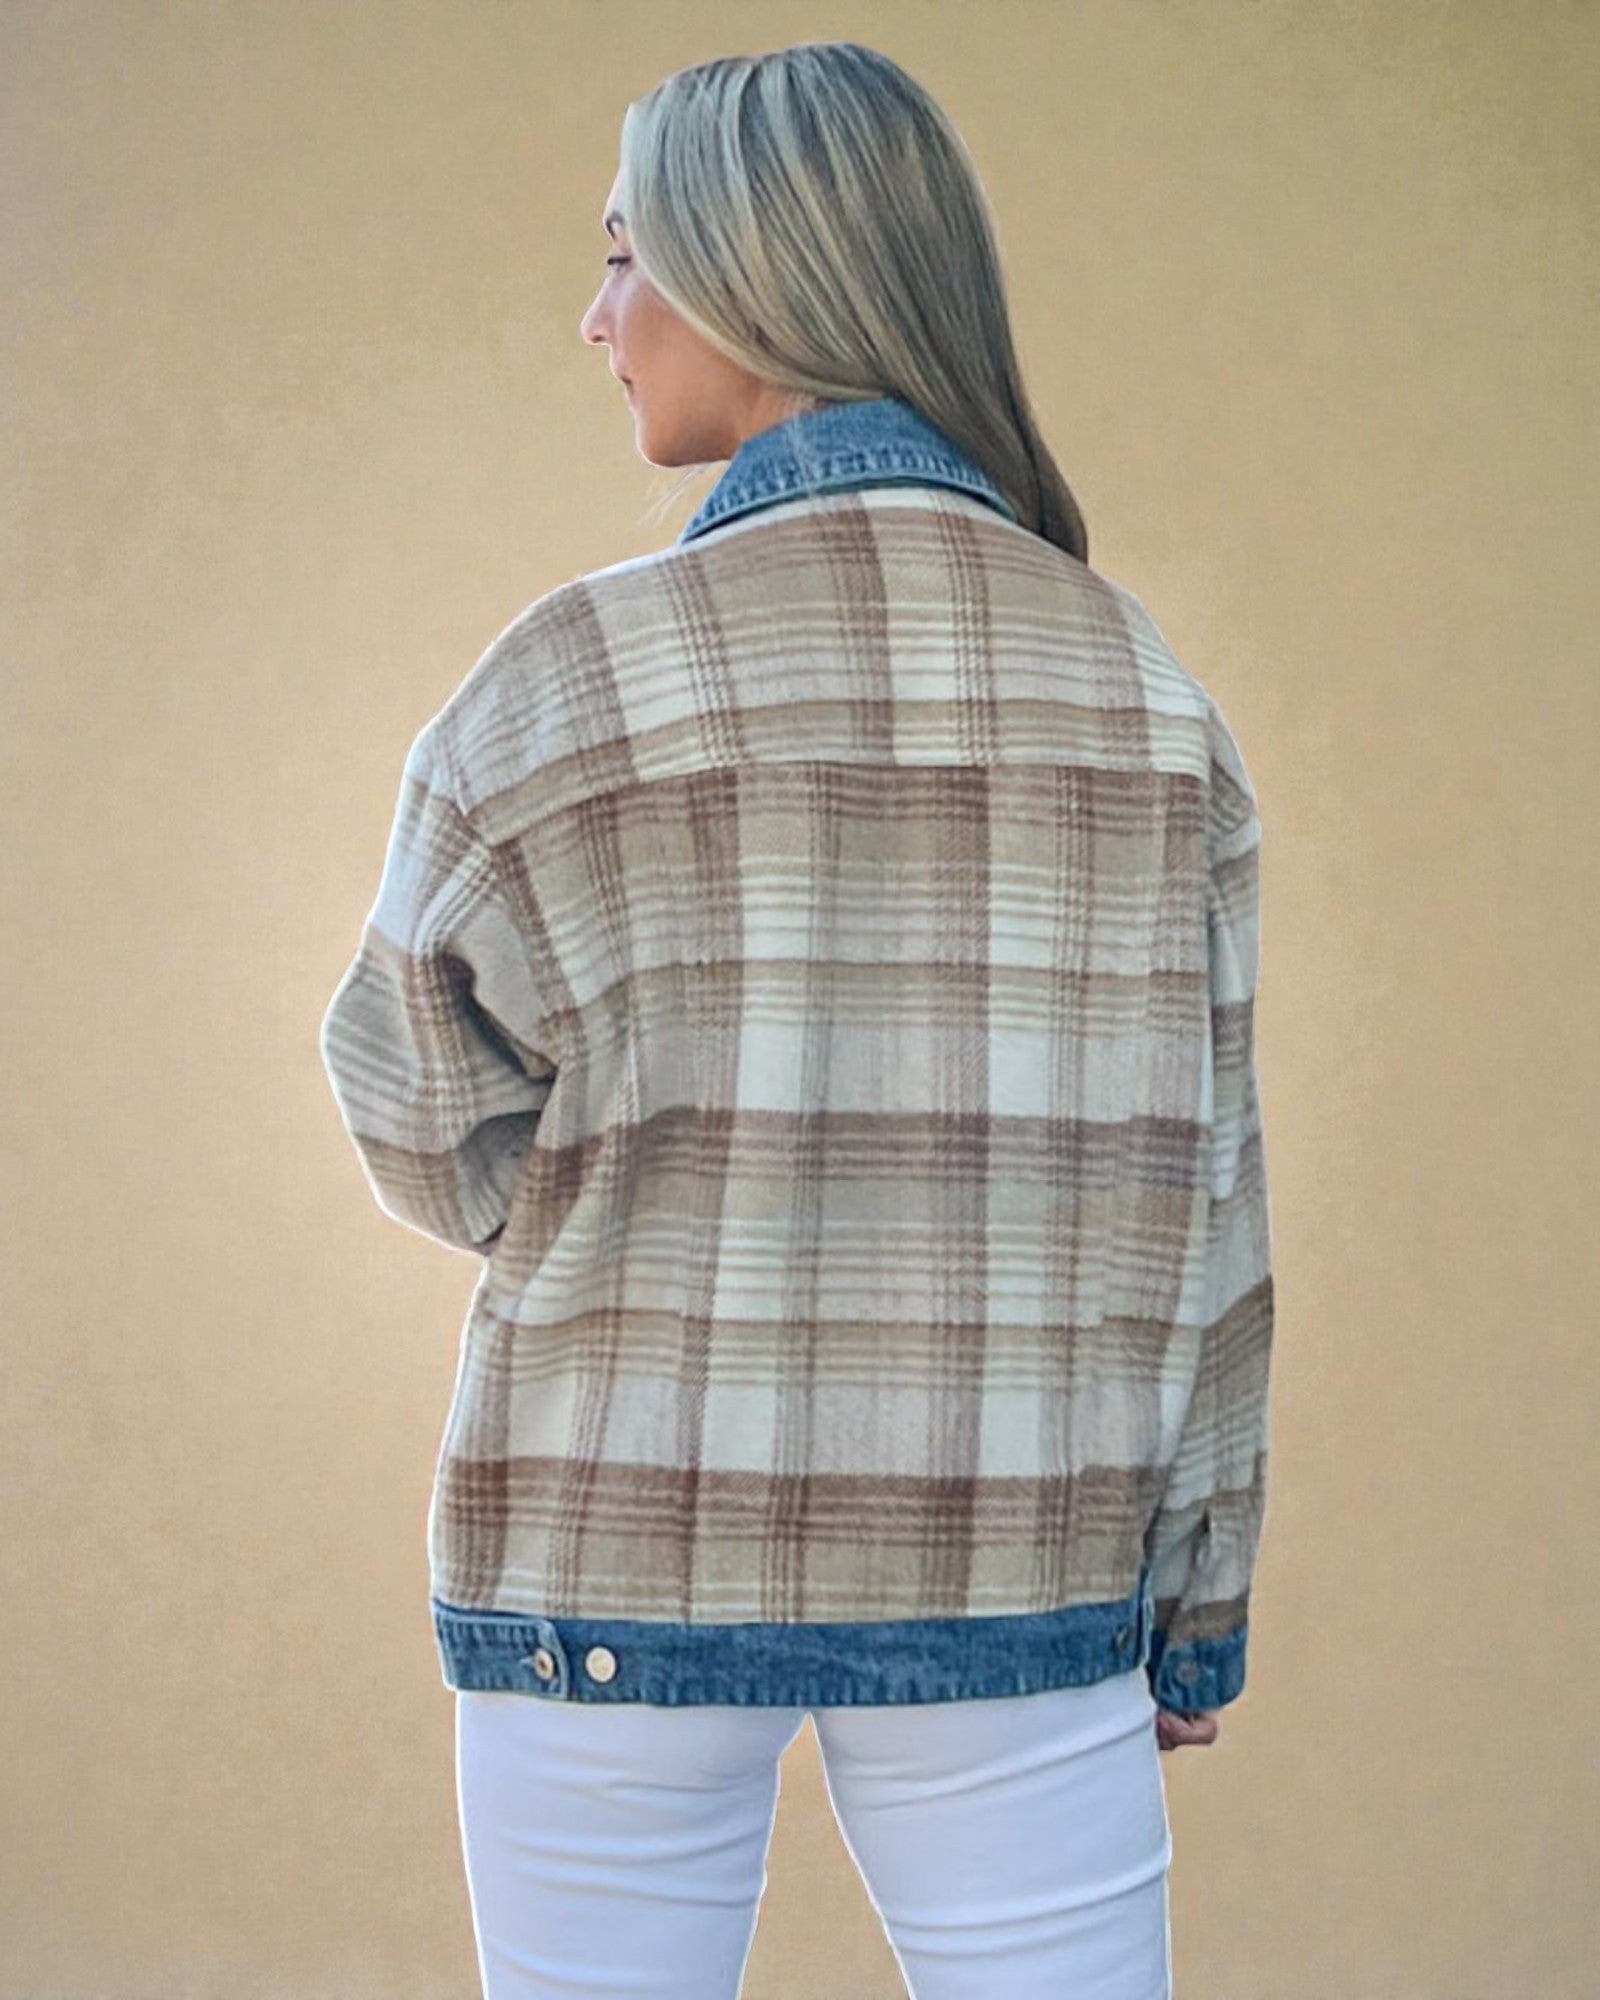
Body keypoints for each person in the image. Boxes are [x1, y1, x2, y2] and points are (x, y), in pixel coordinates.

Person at [320, 39, 1272, 2000]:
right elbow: (1208, 1200)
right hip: (1020, 1568)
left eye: (622, 257)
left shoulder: (570, 675)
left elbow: (410, 1102)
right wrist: (1195, 1597)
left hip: (612, 1564)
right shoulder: (1137, 688)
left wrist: (631, 1215)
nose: (595, 319)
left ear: (752, 276)